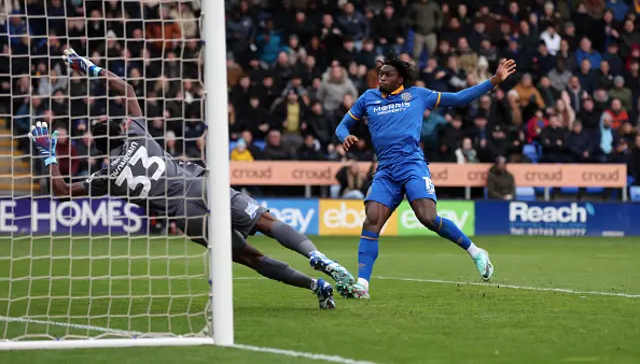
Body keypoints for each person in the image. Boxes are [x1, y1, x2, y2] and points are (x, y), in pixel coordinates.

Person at [29, 49, 356, 310]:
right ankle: (318, 257)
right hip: (202, 185)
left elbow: (61, 192)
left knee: (250, 257)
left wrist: (49, 154)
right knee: (267, 222)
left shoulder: (108, 176)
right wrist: (87, 67)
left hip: (186, 215)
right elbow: (125, 87)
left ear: (100, 148)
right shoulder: (139, 134)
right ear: (121, 128)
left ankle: (317, 286)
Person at [335, 53, 517, 298]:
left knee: (427, 217)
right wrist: (344, 136)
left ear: (400, 77)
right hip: (386, 170)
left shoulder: (418, 95)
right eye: (380, 74)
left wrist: (493, 81)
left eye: (387, 74)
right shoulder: (369, 98)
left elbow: (459, 98)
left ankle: (476, 252)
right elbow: (342, 125)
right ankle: (362, 285)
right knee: (371, 220)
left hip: (412, 165)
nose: (382, 78)